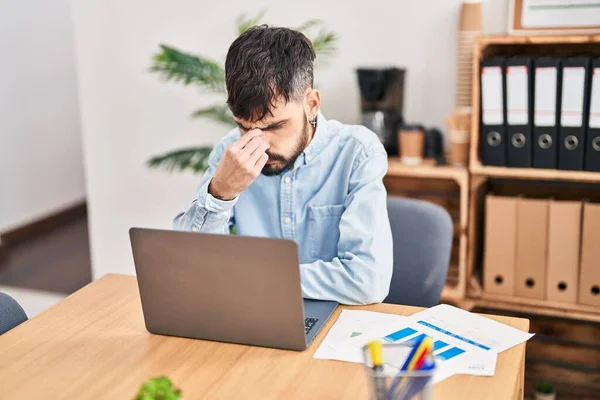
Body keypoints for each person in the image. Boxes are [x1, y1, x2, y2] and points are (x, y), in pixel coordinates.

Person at [174, 25, 393, 305]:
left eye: (274, 126)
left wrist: (253, 278)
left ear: (311, 104)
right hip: (256, 314)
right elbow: (187, 266)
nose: (258, 144)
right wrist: (220, 194)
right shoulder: (230, 155)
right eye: (243, 127)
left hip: (334, 323)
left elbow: (367, 280)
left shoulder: (357, 153)